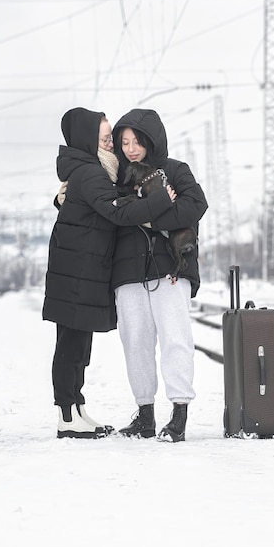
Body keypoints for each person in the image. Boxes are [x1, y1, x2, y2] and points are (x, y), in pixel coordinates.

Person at [43, 107, 177, 439]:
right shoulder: (90, 172)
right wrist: (160, 201)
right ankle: (66, 414)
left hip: (83, 268)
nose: (111, 144)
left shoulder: (94, 170)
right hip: (77, 270)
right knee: (71, 346)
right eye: (105, 138)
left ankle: (76, 409)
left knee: (79, 346)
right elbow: (115, 211)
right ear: (88, 139)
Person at [111, 108, 208, 442]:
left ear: (152, 139)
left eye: (137, 140)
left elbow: (195, 205)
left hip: (170, 269)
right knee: (134, 342)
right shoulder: (116, 177)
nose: (131, 148)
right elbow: (113, 214)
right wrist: (155, 207)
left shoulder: (175, 170)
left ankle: (179, 413)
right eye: (124, 142)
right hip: (128, 272)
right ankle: (145, 414)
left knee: (174, 338)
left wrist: (148, 218)